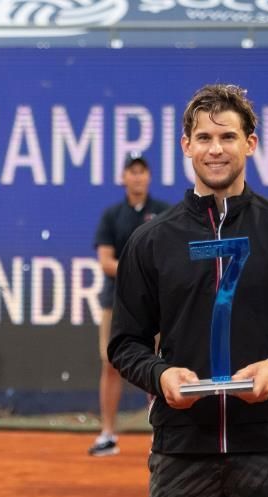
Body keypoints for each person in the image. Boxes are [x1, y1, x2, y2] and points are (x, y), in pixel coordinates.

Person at [108, 84, 268, 497]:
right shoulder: (150, 241)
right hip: (182, 449)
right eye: (203, 138)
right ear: (186, 146)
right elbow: (126, 343)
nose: (215, 149)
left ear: (250, 143)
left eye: (228, 137)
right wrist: (160, 375)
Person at [89, 152, 170, 457]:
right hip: (117, 302)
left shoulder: (164, 213)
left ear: (149, 177)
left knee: (160, 364)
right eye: (131, 172)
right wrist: (139, 270)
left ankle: (162, 432)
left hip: (157, 303)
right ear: (123, 178)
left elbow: (169, 257)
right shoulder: (112, 216)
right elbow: (105, 261)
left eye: (142, 171)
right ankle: (108, 433)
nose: (137, 177)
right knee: (110, 363)